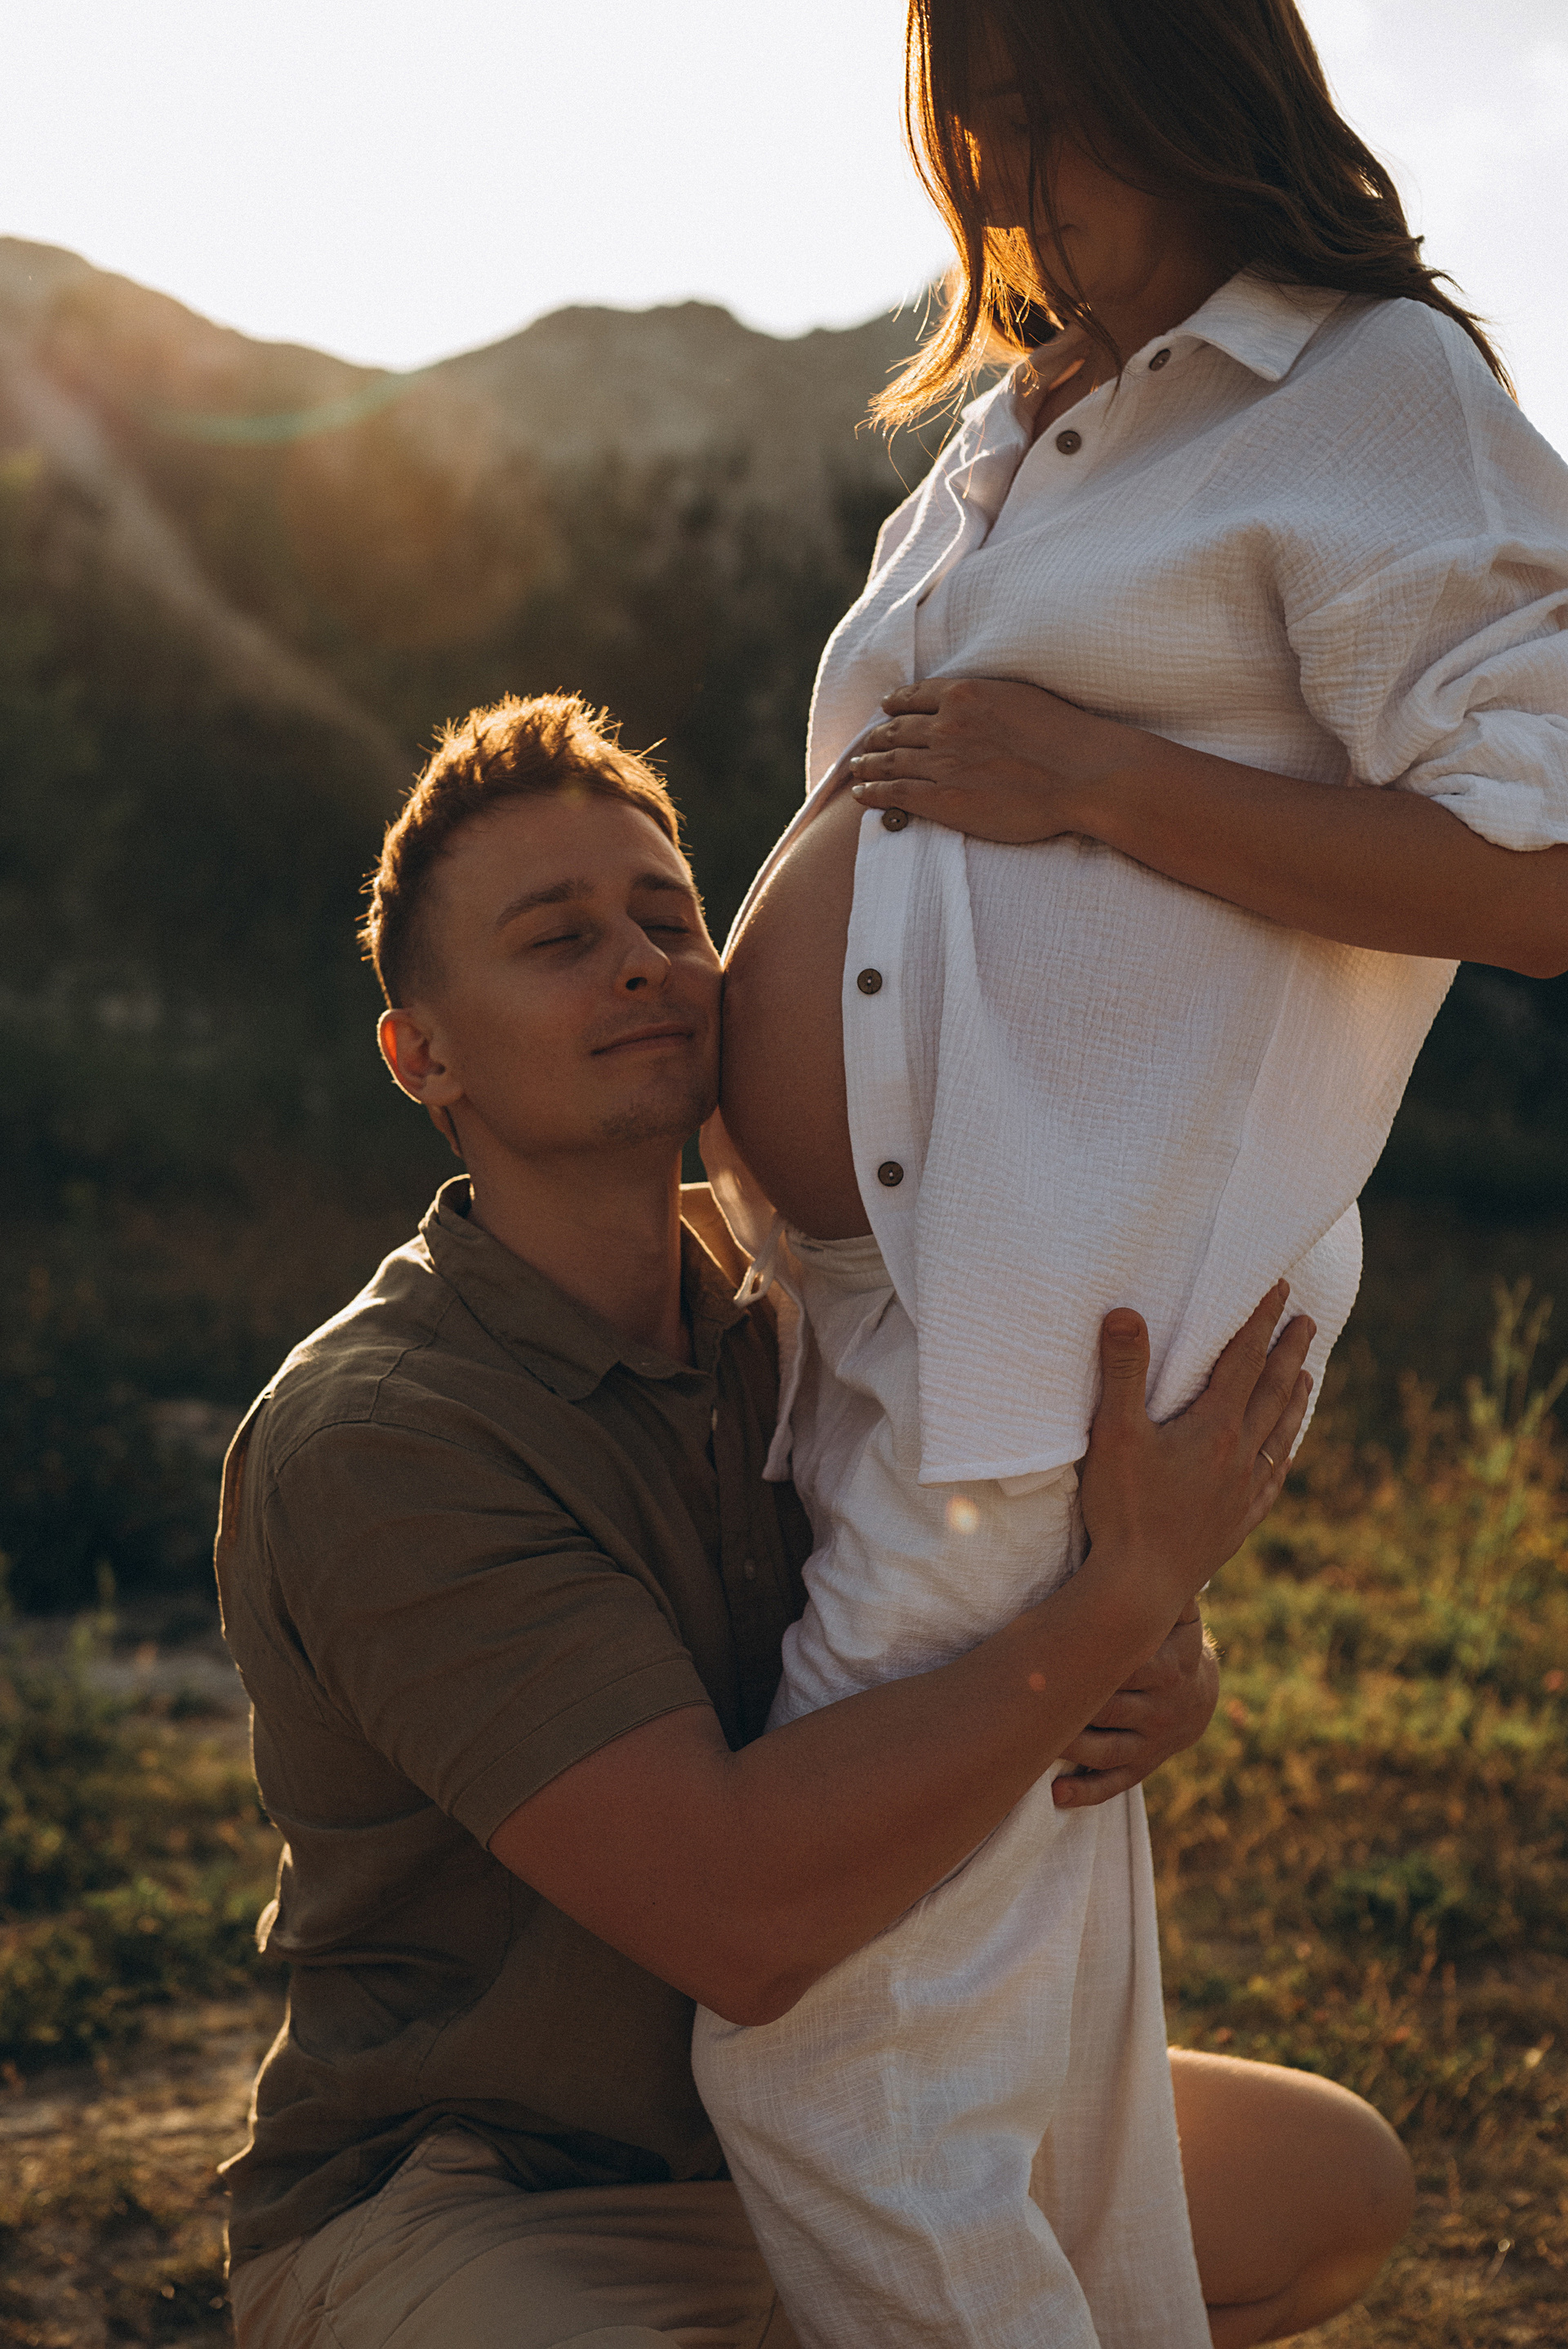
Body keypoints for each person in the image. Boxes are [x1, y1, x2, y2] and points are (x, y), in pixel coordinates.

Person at [690, 0, 1568, 2343]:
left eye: (1042, 129)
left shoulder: (1364, 390)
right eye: (967, 143)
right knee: (1029, 2096)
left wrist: (1105, 783)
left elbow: (1544, 858)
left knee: (836, 2066)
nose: (1001, 194)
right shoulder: (1008, 437)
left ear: (1189, 87)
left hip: (1036, 1341)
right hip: (875, 1327)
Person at [215, 693, 1398, 2349]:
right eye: (559, 940)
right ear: (424, 1055)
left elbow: (998, 1602)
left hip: (835, 2095)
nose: (642, 965)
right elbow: (739, 1919)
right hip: (497, 2187)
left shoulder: (813, 1303)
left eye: (670, 919)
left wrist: (1160, 1651)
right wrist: (1118, 1604)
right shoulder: (385, 1436)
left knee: (1330, 2190)